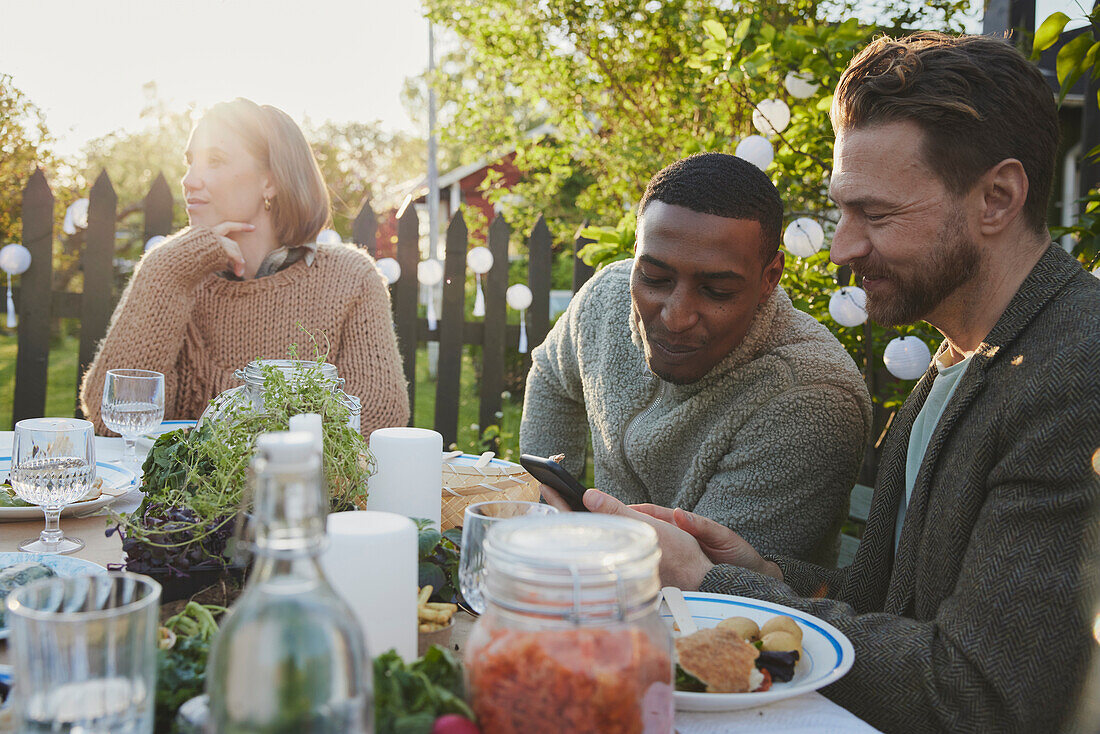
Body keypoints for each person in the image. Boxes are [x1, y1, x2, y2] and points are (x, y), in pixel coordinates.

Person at [544, 33, 1100, 733]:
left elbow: (982, 696)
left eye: (876, 214)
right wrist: (767, 579)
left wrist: (709, 584)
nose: (841, 248)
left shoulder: (1078, 369)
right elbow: (889, 617)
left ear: (997, 198)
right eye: (843, 210)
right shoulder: (954, 365)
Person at [522, 153, 872, 566]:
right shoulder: (608, 296)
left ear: (769, 277)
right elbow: (551, 373)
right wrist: (549, 505)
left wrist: (572, 534)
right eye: (654, 278)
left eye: (716, 290)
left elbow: (713, 580)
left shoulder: (811, 399)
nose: (676, 316)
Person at [80, 98, 409, 438]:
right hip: (177, 494)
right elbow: (111, 424)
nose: (189, 181)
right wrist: (166, 271)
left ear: (271, 181)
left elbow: (377, 418)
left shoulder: (349, 278)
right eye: (190, 163)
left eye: (215, 161)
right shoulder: (170, 272)